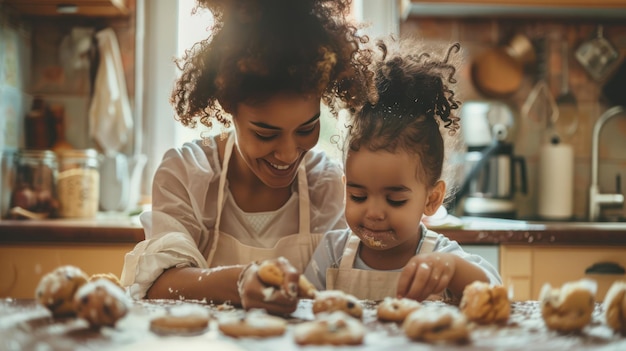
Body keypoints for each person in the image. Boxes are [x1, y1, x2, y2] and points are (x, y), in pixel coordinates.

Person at [120, 0, 373, 315]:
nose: (287, 153)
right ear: (228, 104)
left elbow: (348, 285)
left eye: (306, 128)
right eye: (265, 134)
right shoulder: (185, 174)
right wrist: (241, 280)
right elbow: (159, 284)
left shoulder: (328, 185)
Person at [304, 39, 502, 302]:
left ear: (431, 199)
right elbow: (302, 308)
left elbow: (494, 293)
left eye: (395, 200)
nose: (373, 213)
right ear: (345, 188)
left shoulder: (442, 257)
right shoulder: (332, 254)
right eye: (358, 197)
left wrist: (453, 271)